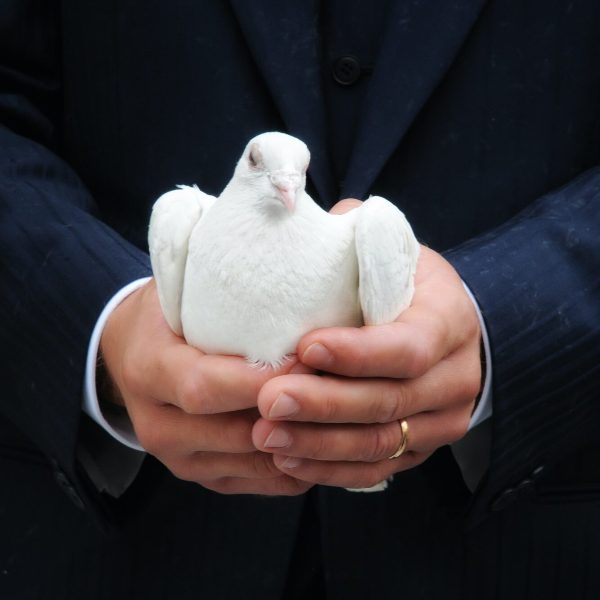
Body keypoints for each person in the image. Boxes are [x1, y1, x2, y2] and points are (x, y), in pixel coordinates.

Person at [1, 2, 599, 599]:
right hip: (112, 545)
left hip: (512, 542)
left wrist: (510, 322)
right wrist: (98, 328)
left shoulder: (368, 230)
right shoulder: (185, 220)